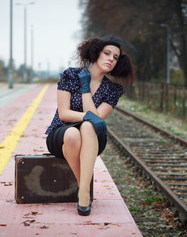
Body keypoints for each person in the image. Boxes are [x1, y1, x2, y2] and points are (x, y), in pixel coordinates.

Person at [45, 35, 134, 216]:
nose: (111, 59)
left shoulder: (113, 90)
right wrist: (88, 115)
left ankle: (83, 191)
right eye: (107, 53)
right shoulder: (70, 75)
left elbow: (95, 119)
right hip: (61, 134)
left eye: (115, 57)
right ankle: (84, 188)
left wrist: (85, 88)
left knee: (87, 126)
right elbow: (64, 114)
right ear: (96, 53)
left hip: (93, 138)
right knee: (72, 133)